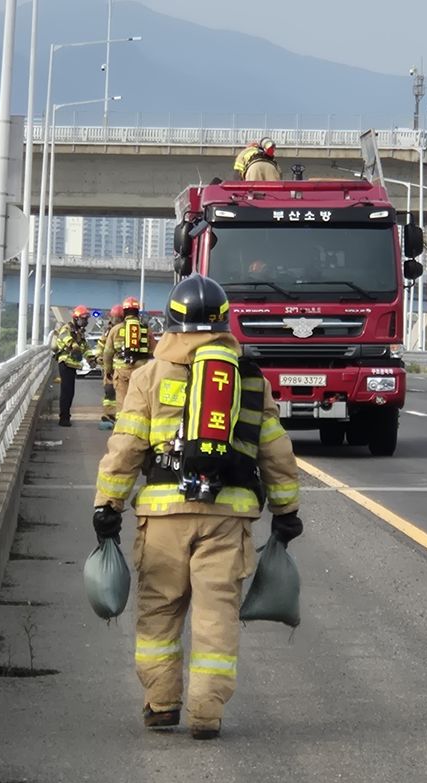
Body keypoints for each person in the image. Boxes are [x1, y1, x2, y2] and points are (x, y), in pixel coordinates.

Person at [93, 274, 302, 739]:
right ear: (225, 321)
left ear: (170, 321)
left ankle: (161, 704)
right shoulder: (248, 378)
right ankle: (207, 713)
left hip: (163, 516)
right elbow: (274, 449)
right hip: (228, 517)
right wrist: (287, 511)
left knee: (160, 611)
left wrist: (107, 505)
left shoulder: (148, 375)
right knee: (216, 615)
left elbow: (125, 446)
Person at [102, 295, 156, 416]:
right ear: (138, 312)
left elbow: (107, 354)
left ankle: (122, 430)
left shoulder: (115, 330)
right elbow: (154, 352)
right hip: (141, 372)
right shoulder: (146, 329)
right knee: (139, 404)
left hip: (122, 373)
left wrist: (108, 371)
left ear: (124, 312)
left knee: (122, 404)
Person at [51, 304, 90, 427]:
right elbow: (63, 337)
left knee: (70, 392)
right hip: (65, 362)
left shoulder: (80, 333)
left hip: (72, 365)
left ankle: (66, 416)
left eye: (86, 319)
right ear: (76, 318)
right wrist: (72, 344)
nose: (86, 321)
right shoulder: (68, 328)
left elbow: (85, 348)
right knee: (66, 391)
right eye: (84, 319)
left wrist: (92, 358)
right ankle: (63, 418)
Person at [92, 304, 125, 429]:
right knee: (110, 393)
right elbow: (102, 347)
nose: (114, 320)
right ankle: (109, 416)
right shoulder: (110, 330)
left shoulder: (121, 330)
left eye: (116, 318)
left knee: (119, 394)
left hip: (119, 367)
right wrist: (100, 358)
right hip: (113, 367)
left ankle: (117, 417)